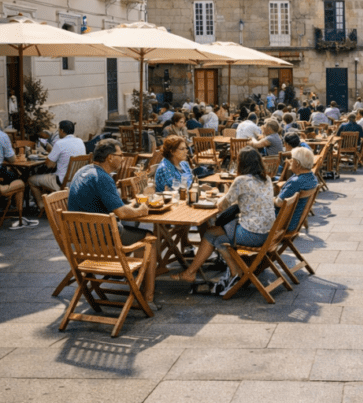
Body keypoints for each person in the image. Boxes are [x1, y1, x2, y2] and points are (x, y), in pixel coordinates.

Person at [68, 139, 157, 303]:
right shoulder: (102, 178)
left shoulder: (84, 171)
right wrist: (140, 210)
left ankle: (132, 275)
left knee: (133, 225)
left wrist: (128, 206)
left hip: (80, 240)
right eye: (120, 154)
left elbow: (111, 205)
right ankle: (147, 296)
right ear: (109, 157)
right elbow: (122, 213)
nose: (123, 158)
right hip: (100, 242)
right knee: (149, 239)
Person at [174, 147, 274, 292]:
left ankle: (191, 272)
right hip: (267, 234)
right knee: (219, 239)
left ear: (242, 163)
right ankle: (234, 272)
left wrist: (222, 193)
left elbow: (222, 206)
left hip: (251, 234)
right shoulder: (266, 179)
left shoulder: (241, 180)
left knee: (210, 233)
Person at [28, 120, 86, 213]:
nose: (58, 132)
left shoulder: (60, 143)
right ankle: (50, 202)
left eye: (59, 130)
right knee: (46, 176)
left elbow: (49, 165)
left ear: (62, 130)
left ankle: (42, 206)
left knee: (31, 180)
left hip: (61, 182)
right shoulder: (80, 141)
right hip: (77, 181)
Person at [0, 125, 37, 229]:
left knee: (10, 175)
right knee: (18, 179)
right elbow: (12, 160)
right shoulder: (2, 136)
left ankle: (7, 205)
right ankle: (17, 212)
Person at [275, 146, 317, 230]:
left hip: (284, 223)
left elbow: (279, 203)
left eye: (292, 159)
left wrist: (269, 199)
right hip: (295, 221)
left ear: (297, 163)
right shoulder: (312, 178)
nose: (290, 161)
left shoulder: (296, 182)